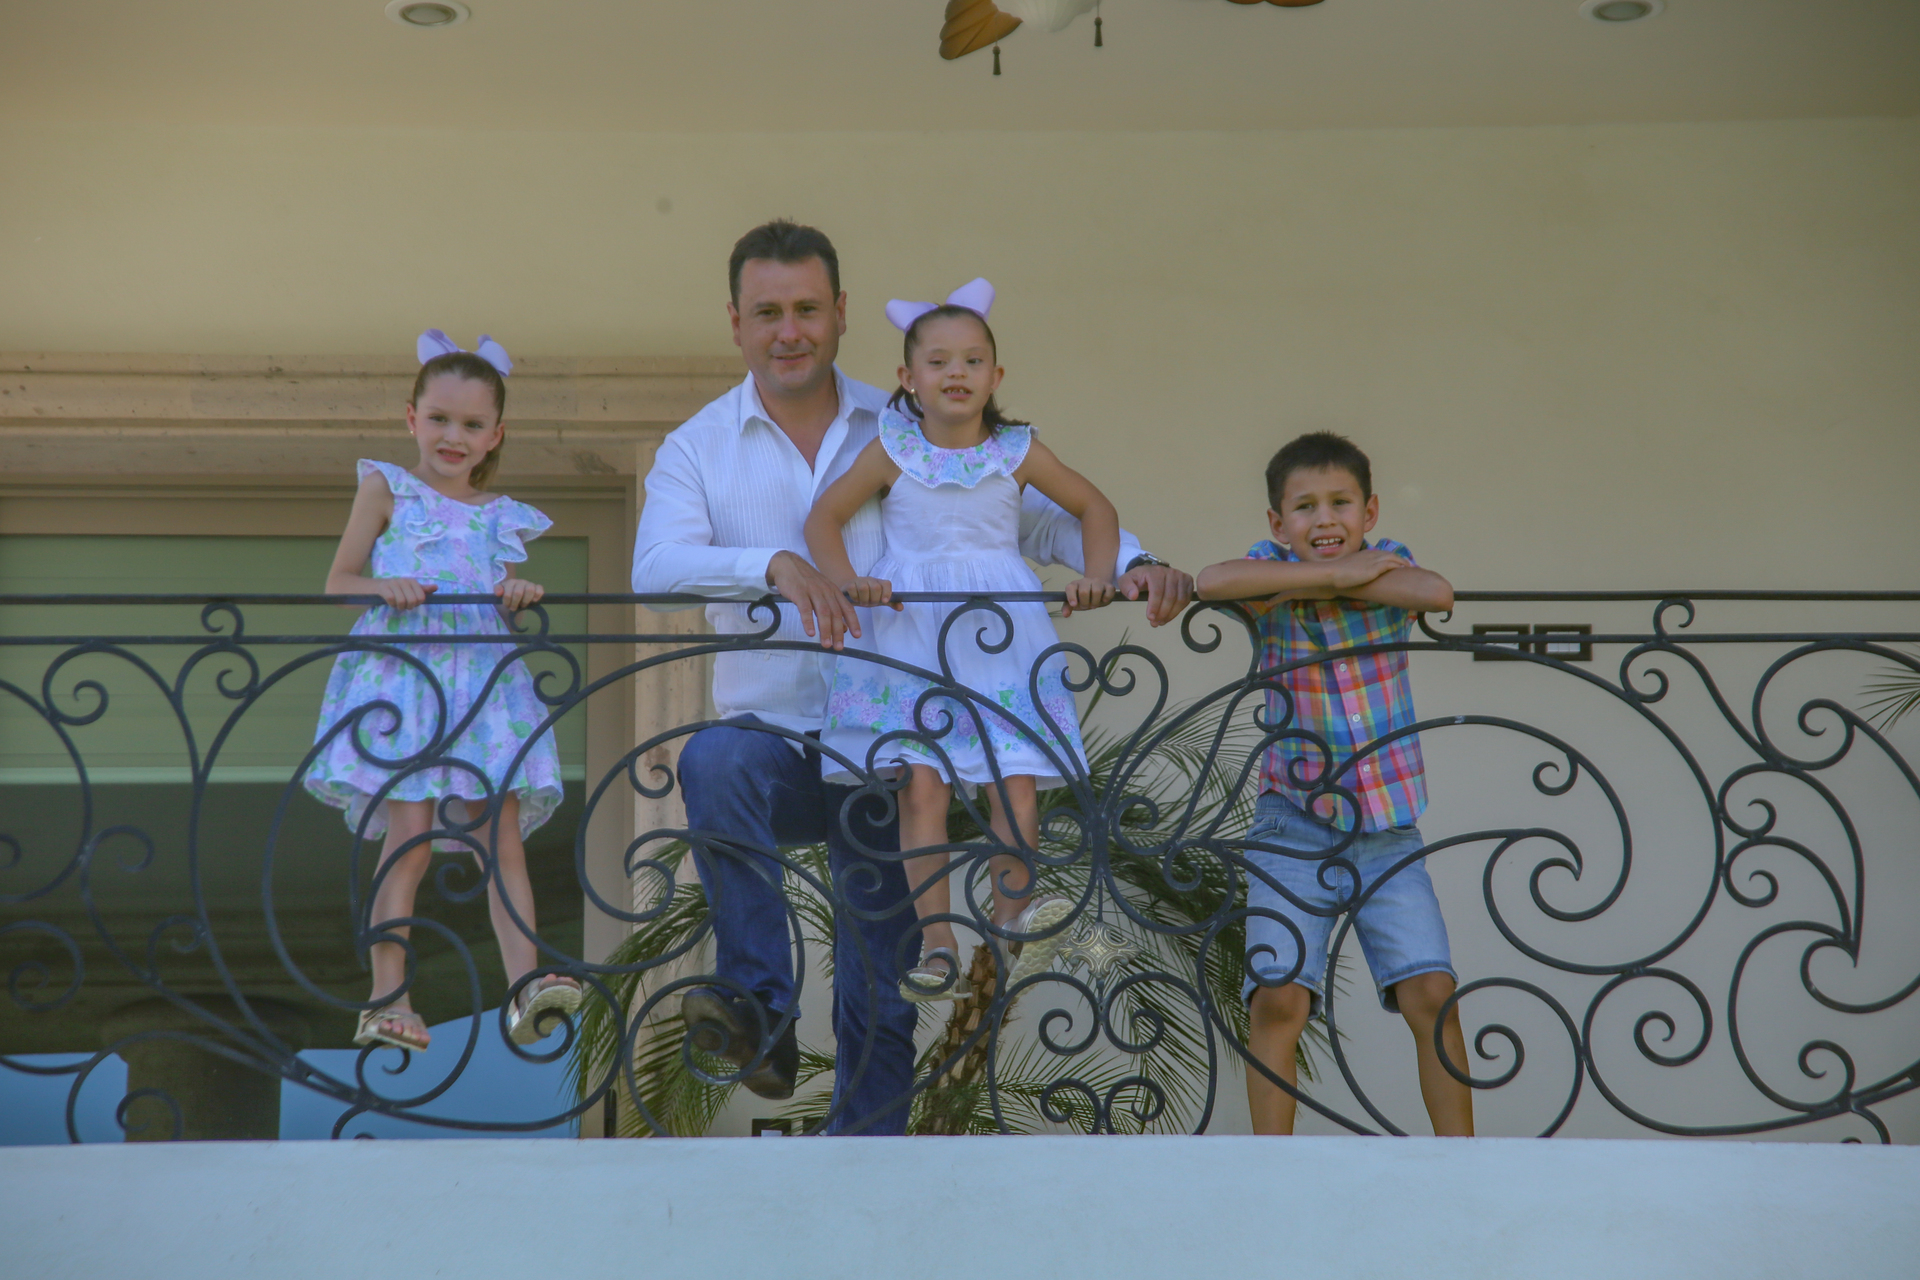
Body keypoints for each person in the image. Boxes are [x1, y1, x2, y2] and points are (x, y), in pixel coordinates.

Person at [631, 221, 1194, 1134]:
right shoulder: (698, 446)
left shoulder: (914, 412)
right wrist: (774, 563)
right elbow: (653, 566)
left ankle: (874, 1173)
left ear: (842, 315)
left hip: (895, 747)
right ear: (735, 321)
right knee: (715, 761)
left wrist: (1137, 562)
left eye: (808, 309)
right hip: (776, 739)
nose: (789, 331)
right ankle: (760, 1012)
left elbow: (1036, 520)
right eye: (767, 311)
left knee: (881, 994)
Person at [805, 281, 1112, 1002]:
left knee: (1015, 777)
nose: (956, 373)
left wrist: (1099, 577)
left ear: (996, 378)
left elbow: (1093, 506)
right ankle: (936, 939)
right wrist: (852, 582)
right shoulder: (891, 450)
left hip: (1002, 637)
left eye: (973, 360)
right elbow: (824, 519)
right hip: (915, 636)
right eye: (938, 361)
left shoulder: (1017, 449)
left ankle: (1015, 921)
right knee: (924, 782)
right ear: (908, 379)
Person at [308, 330, 580, 1054]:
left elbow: (495, 591)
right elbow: (338, 583)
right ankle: (386, 998)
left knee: (504, 842)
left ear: (495, 435)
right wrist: (383, 586)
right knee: (412, 839)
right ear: (410, 418)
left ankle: (525, 985)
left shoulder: (500, 517)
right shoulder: (386, 489)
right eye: (438, 419)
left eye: (469, 425)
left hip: (485, 688)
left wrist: (515, 590)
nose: (451, 437)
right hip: (410, 684)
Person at [1194, 431, 1472, 1137]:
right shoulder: (1267, 570)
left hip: (1388, 829)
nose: (1325, 521)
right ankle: (1272, 1169)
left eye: (1341, 503)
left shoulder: (1390, 564)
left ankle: (1466, 1160)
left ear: (1370, 511)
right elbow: (1211, 583)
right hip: (1292, 824)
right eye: (1306, 507)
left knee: (1431, 990)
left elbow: (1435, 593)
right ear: (1276, 525)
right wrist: (1330, 579)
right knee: (1279, 998)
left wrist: (1352, 574)